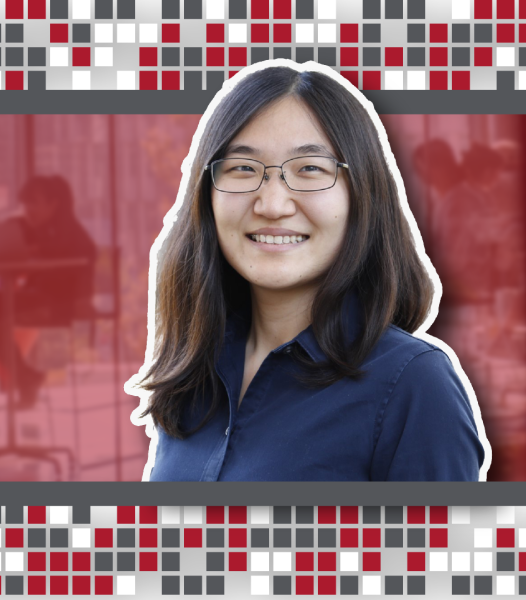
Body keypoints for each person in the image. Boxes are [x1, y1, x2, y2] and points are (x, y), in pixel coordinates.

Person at [131, 62, 488, 481]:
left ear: (362, 194)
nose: (273, 204)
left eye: (310, 169)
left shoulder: (413, 384)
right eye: (243, 169)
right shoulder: (195, 371)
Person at [0, 175, 97, 408]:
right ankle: (25, 378)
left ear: (54, 204)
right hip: (39, 299)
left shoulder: (70, 236)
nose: (28, 209)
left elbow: (80, 266)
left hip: (56, 305)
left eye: (34, 202)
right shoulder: (35, 231)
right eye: (25, 203)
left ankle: (26, 379)